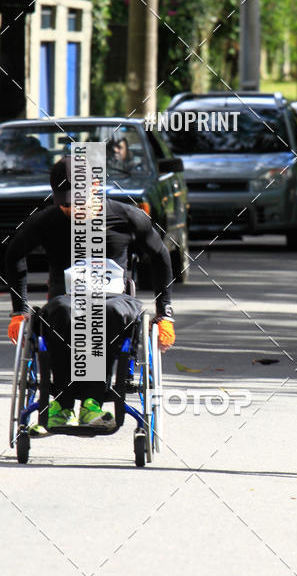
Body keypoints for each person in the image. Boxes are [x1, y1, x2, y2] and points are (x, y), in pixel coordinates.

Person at [6, 156, 176, 433]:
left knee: (106, 312)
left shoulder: (127, 216)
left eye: (77, 201)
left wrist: (165, 313)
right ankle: (61, 405)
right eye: (64, 203)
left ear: (96, 188)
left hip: (116, 300)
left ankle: (92, 404)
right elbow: (13, 254)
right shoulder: (47, 220)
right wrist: (19, 310)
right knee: (62, 310)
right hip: (64, 302)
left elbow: (160, 257)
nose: (71, 209)